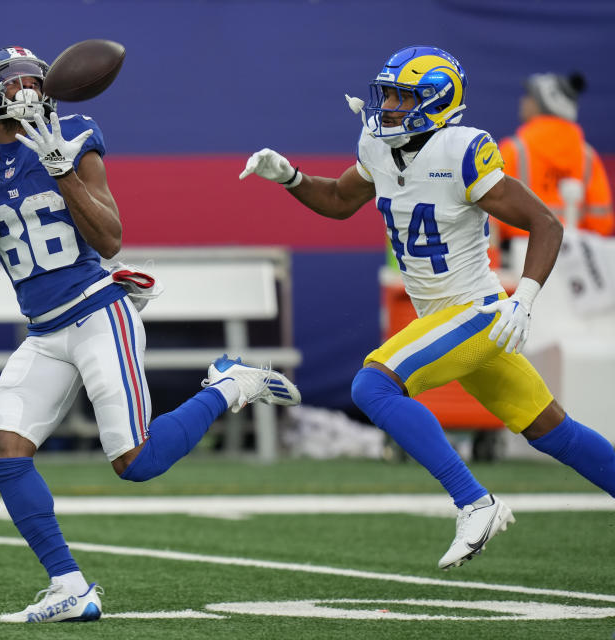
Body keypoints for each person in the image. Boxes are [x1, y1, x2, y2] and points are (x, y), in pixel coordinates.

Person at [0, 46, 300, 623]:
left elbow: (110, 240)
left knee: (136, 462)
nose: (28, 91)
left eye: (36, 80)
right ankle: (70, 586)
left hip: (96, 312)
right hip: (43, 332)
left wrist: (63, 172)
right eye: (12, 83)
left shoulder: (75, 135)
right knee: (6, 450)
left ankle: (228, 386)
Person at [240, 46, 615, 571]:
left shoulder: (462, 150)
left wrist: (523, 299)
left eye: (401, 96)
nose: (388, 105)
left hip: (477, 312)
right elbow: (340, 202)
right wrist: (291, 178)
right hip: (442, 316)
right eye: (386, 94)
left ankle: (474, 501)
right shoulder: (378, 144)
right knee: (553, 430)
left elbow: (545, 224)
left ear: (436, 102)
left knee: (372, 385)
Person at [497, 72, 613, 249]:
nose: (523, 101)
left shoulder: (513, 151)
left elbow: (492, 215)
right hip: (576, 259)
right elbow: (602, 223)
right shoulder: (588, 156)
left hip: (519, 257)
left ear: (543, 105)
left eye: (530, 97)